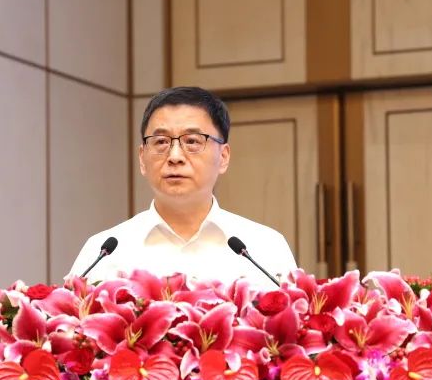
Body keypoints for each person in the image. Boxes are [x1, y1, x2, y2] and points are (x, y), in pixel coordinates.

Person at [67, 86, 297, 286]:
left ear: (223, 156)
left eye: (192, 141)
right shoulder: (104, 252)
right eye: (161, 142)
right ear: (142, 158)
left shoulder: (264, 247)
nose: (175, 156)